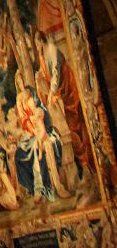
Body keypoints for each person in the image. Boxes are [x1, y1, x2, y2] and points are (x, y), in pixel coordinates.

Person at [35, 28, 93, 184]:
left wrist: (53, 93)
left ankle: (87, 165)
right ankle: (82, 166)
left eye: (37, 43)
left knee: (75, 125)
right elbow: (44, 71)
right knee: (69, 129)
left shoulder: (52, 51)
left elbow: (56, 73)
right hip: (61, 93)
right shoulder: (43, 54)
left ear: (41, 41)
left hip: (68, 89)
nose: (36, 46)